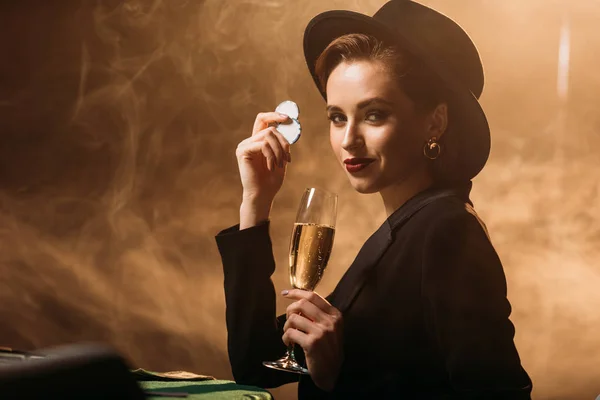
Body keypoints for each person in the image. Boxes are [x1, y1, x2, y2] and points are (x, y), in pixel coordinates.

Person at [215, 1, 532, 398]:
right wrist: (255, 202)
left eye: (375, 114)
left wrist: (336, 381)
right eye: (337, 117)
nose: (348, 139)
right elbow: (254, 363)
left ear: (435, 121)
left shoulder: (446, 232)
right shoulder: (403, 231)